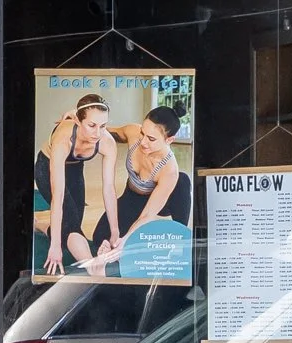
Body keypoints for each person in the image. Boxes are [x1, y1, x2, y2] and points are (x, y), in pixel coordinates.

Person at [80, 106, 189, 275]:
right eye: (142, 133)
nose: (144, 141)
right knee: (99, 237)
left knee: (183, 181)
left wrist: (124, 241)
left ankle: (180, 239)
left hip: (160, 202)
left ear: (169, 140)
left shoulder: (169, 170)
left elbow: (146, 215)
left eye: (151, 139)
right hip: (131, 198)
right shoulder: (133, 132)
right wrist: (82, 122)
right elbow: (107, 131)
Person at [33, 95, 115, 277]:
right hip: (47, 168)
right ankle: (93, 267)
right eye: (92, 125)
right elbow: (58, 196)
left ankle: (38, 225)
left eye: (103, 126)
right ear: (78, 120)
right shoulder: (64, 139)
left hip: (75, 170)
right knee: (71, 224)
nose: (97, 133)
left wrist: (115, 231)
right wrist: (54, 246)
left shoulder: (107, 142)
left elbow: (109, 188)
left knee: (71, 223)